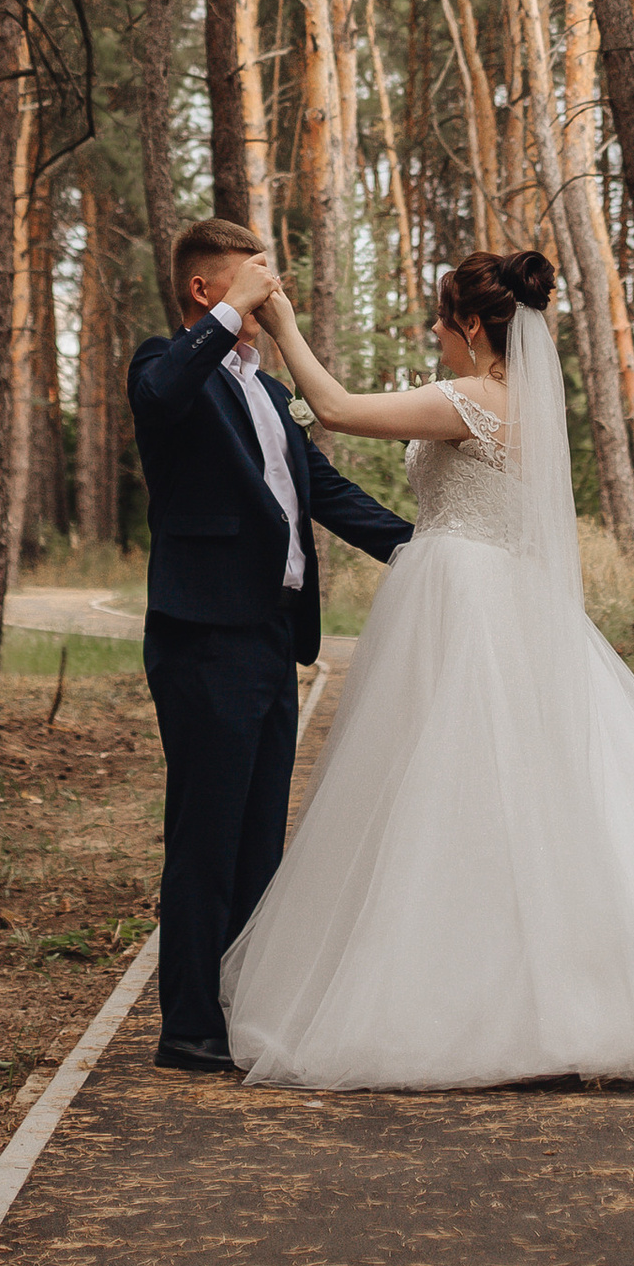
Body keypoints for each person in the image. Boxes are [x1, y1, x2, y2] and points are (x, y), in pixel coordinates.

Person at [223, 245, 634, 1089]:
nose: (433, 332)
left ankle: (473, 996)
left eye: (440, 319)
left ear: (470, 326)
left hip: (463, 603)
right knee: (523, 791)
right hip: (506, 598)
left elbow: (337, 410)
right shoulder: (524, 403)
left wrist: (279, 317)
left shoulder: (470, 399)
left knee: (450, 791)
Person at [126, 215, 413, 1075]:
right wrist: (227, 319)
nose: (271, 294)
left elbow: (316, 484)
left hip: (268, 633)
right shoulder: (167, 363)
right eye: (254, 281)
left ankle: (243, 1004)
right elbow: (159, 397)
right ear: (203, 292)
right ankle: (187, 1027)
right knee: (206, 835)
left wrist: (415, 546)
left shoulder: (260, 388)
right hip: (203, 634)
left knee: (258, 838)